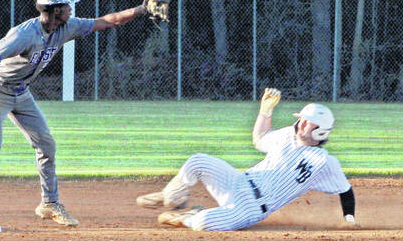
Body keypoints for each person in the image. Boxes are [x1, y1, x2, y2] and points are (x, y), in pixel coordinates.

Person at [0, 0, 150, 226]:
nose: (71, 9)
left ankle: (49, 203)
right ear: (54, 9)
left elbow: (107, 21)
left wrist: (141, 9)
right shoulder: (25, 34)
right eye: (67, 5)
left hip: (21, 93)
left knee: (46, 145)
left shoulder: (66, 27)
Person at [136, 88, 356, 231]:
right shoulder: (286, 135)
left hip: (251, 208)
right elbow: (260, 139)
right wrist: (265, 113)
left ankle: (189, 216)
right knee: (198, 161)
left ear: (321, 131)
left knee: (203, 223)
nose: (300, 123)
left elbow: (345, 190)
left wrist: (349, 219)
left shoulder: (325, 162)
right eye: (301, 119)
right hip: (238, 181)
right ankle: (171, 196)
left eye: (306, 122)